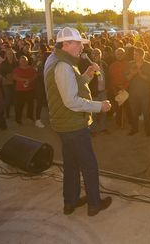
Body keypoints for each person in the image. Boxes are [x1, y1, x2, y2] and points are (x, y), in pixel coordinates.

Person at [44, 27, 112, 216]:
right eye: (78, 44)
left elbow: (70, 88)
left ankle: (70, 202)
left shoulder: (55, 59)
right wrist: (100, 106)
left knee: (71, 163)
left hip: (62, 124)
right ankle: (94, 204)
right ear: (66, 44)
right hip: (72, 124)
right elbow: (71, 101)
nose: (81, 48)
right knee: (89, 164)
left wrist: (88, 75)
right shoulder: (64, 66)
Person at [127, 47, 150, 136]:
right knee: (134, 112)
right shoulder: (130, 64)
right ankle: (134, 128)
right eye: (134, 54)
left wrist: (141, 74)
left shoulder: (149, 65)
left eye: (136, 54)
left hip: (145, 93)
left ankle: (148, 130)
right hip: (133, 93)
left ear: (142, 56)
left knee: (146, 112)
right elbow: (126, 78)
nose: (134, 56)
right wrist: (132, 73)